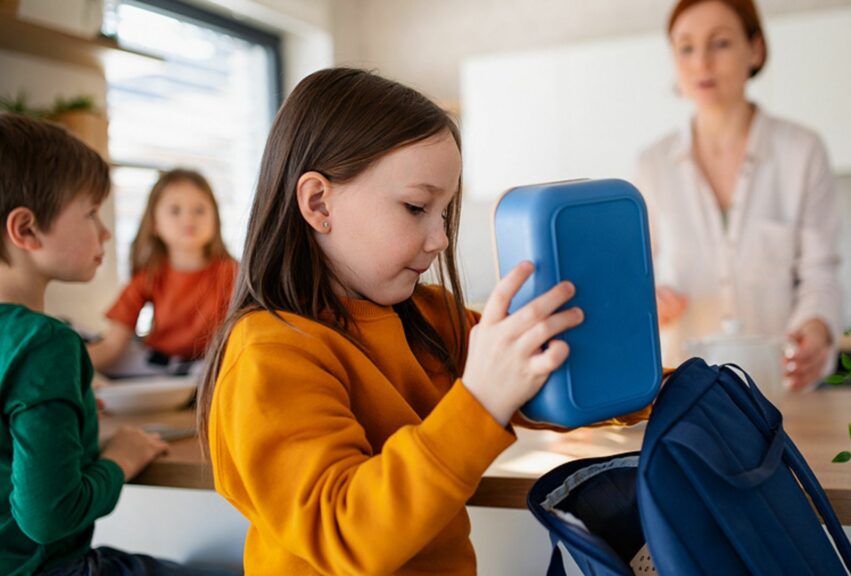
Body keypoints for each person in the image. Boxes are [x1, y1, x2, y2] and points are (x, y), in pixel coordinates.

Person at [196, 67, 653, 574]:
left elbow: (557, 375)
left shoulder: (431, 317)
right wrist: (480, 401)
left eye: (444, 212)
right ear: (318, 202)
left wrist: (674, 386)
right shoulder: (269, 354)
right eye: (416, 207)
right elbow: (345, 531)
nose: (439, 239)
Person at [0, 113, 230, 575]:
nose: (105, 231)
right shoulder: (46, 344)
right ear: (26, 230)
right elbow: (48, 517)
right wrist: (121, 458)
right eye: (90, 214)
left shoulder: (228, 270)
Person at [635, 0, 843, 389]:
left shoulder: (802, 151)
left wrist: (816, 328)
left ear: (756, 49)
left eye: (721, 43)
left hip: (779, 394)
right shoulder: (652, 164)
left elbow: (820, 271)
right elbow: (633, 283)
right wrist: (649, 304)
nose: (701, 62)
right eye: (686, 47)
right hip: (682, 397)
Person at [88, 169, 237, 378]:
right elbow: (114, 345)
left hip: (212, 363)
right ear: (155, 224)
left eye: (200, 210)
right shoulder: (149, 276)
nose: (188, 218)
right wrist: (59, 365)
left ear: (216, 219)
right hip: (158, 359)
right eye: (175, 210)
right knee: (79, 338)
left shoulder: (233, 273)